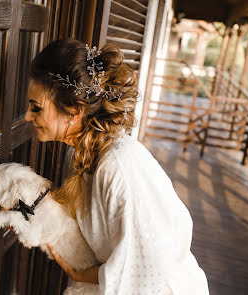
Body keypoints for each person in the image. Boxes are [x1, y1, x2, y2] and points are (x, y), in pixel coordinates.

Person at [24, 38, 209, 295]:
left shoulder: (117, 167)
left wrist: (76, 274)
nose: (27, 116)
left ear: (74, 111)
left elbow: (146, 270)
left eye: (36, 108)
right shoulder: (79, 155)